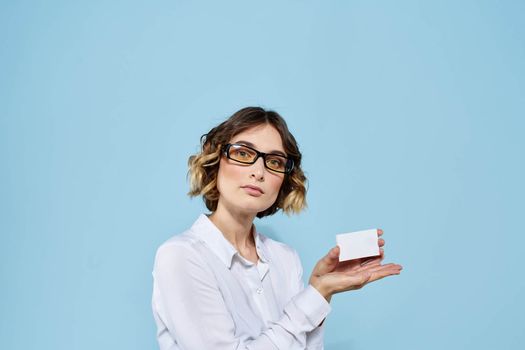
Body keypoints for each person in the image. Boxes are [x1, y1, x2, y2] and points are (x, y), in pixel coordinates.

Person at [151, 107, 403, 350]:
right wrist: (312, 298)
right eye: (243, 154)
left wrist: (321, 291)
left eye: (274, 161)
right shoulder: (181, 255)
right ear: (216, 161)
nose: (258, 172)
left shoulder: (285, 259)